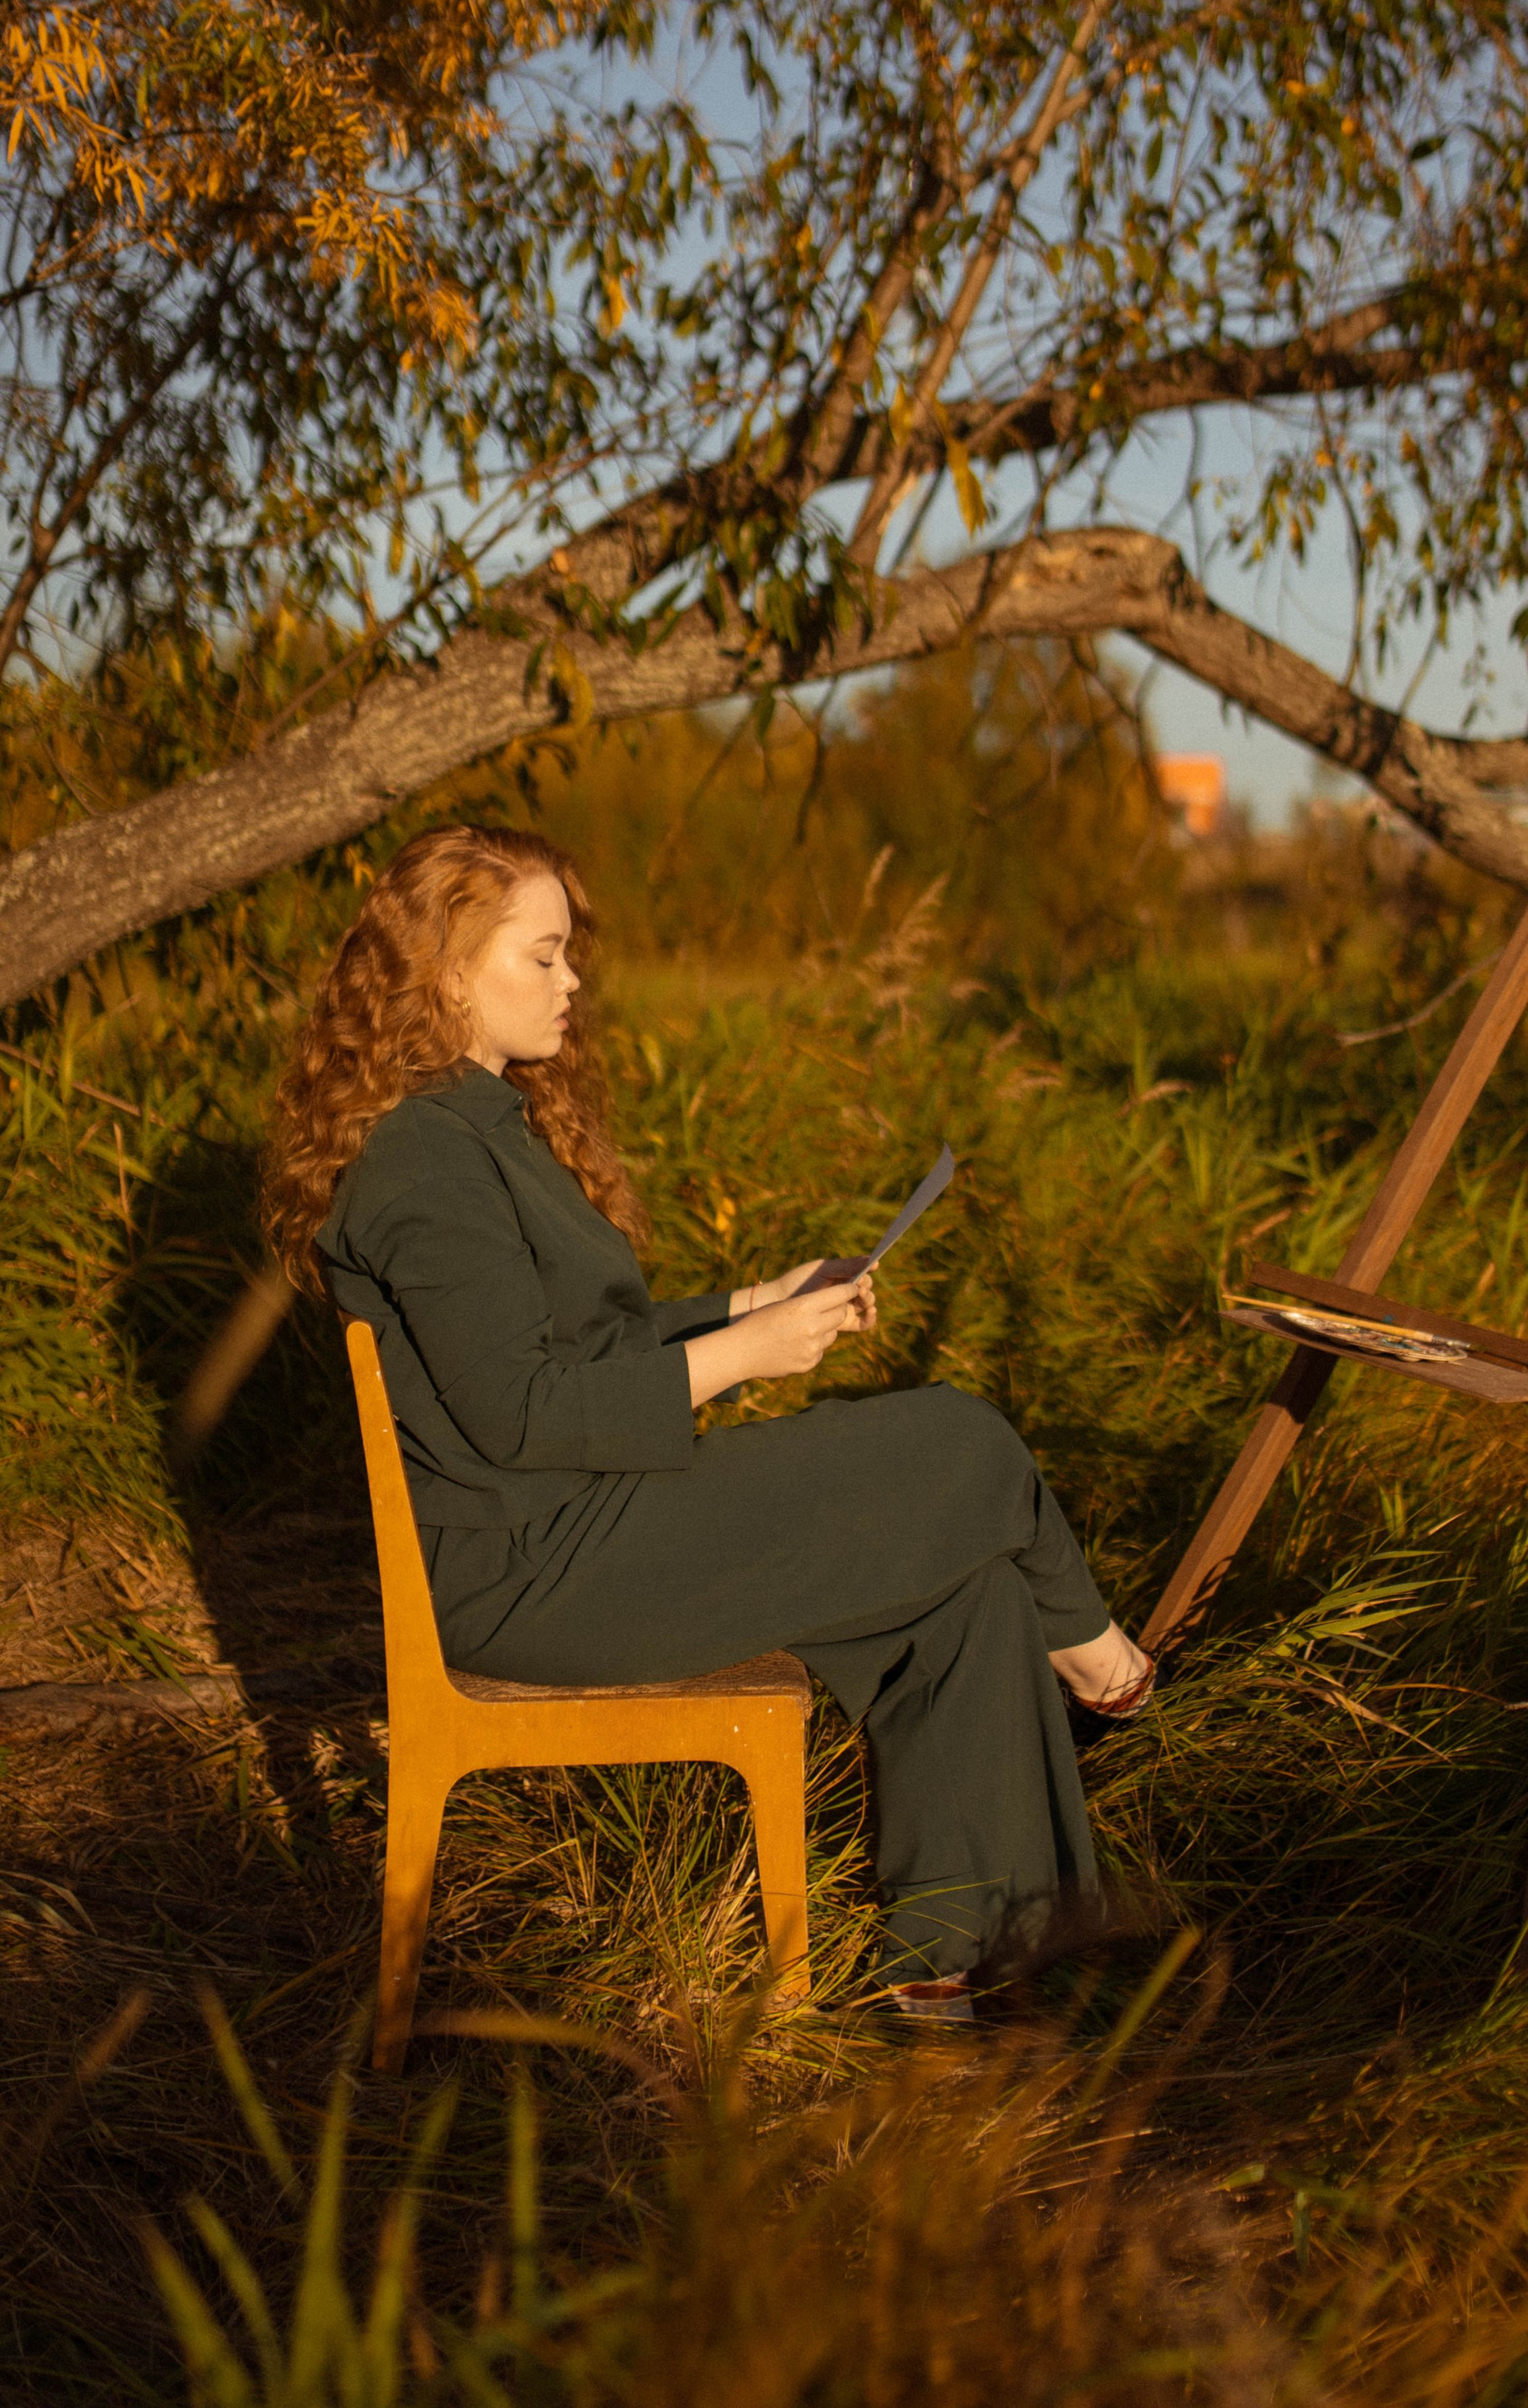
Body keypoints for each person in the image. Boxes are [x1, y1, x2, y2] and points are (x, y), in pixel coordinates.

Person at [262, 824, 1155, 2024]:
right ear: (450, 972)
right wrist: (743, 1357)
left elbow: (569, 1348)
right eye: (544, 956)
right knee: (964, 1444)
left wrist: (754, 1303)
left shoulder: (480, 1122)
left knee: (972, 1585)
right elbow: (520, 1411)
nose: (572, 981)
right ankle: (1104, 1660)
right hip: (531, 1566)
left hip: (583, 1518)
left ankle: (966, 1962)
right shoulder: (423, 1157)